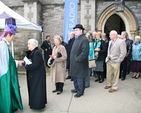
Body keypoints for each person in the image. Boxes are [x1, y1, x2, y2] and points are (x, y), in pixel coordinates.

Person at [0, 24, 23, 113]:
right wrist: (16, 63)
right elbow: (5, 62)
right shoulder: (3, 45)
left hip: (4, 72)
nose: (13, 38)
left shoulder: (3, 43)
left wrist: (15, 62)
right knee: (5, 91)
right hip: (4, 73)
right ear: (9, 35)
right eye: (13, 36)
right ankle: (6, 109)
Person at [22, 39, 47, 110]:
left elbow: (35, 65)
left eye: (29, 44)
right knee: (34, 90)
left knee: (37, 91)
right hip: (34, 75)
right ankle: (34, 104)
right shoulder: (33, 52)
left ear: (34, 45)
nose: (28, 45)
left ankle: (38, 105)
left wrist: (26, 66)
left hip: (37, 76)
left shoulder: (37, 53)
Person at [70, 24, 89, 98]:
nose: (75, 32)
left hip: (80, 63)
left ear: (81, 30)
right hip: (74, 63)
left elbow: (84, 52)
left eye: (76, 30)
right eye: (74, 30)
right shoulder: (77, 38)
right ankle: (77, 88)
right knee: (75, 76)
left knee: (80, 77)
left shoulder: (84, 39)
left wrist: (78, 59)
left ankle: (80, 91)